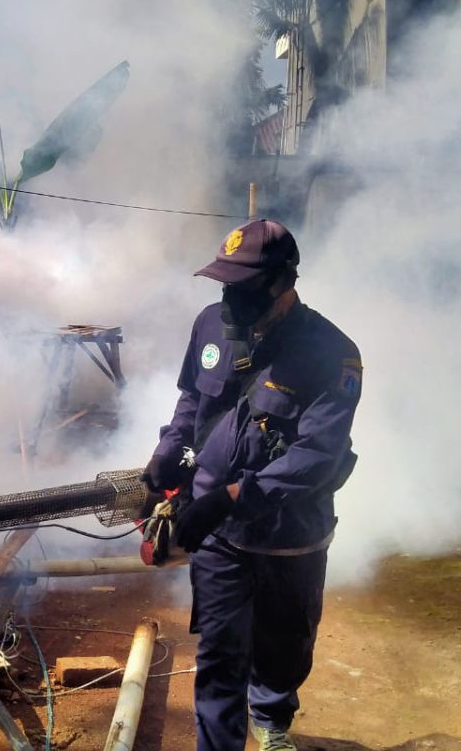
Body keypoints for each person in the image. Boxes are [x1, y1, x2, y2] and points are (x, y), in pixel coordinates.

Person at [140, 219, 362, 751]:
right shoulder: (208, 326)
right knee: (219, 654)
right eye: (224, 286)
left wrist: (230, 499)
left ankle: (271, 719)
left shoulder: (333, 353)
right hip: (220, 538)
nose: (229, 300)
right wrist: (165, 460)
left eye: (242, 289)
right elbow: (193, 402)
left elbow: (316, 456)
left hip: (292, 536)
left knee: (285, 646)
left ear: (282, 284)